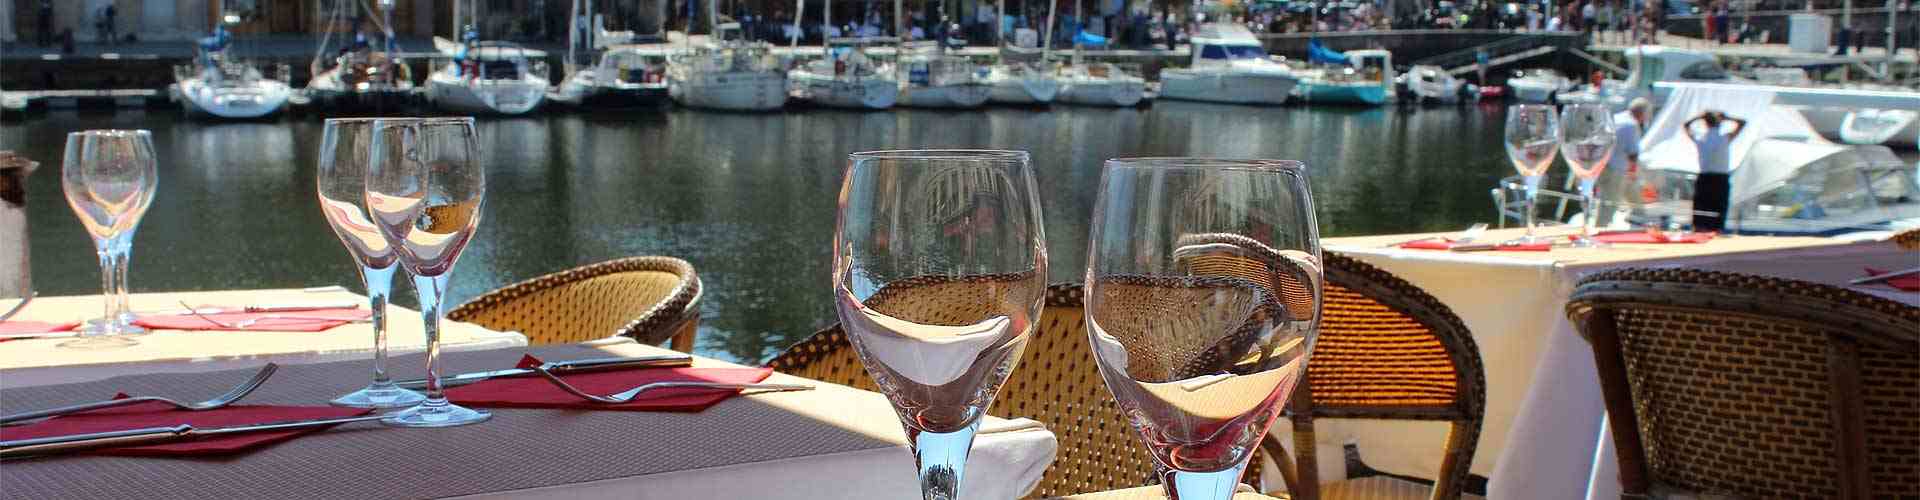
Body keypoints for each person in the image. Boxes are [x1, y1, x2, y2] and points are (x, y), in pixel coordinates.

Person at [1685, 110, 1746, 232]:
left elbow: (1686, 126)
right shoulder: (1724, 138)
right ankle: (1717, 230)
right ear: (1719, 124)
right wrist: (1727, 117)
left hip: (1705, 177)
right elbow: (1742, 123)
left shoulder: (1701, 138)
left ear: (1706, 124)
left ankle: (1699, 229)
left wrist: (1699, 117)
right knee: (1718, 207)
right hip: (1720, 178)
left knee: (1702, 209)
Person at [1608, 98, 1654, 205]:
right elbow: (1633, 152)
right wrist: (1633, 171)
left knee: (1632, 192)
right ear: (1642, 113)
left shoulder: (1615, 117)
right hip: (1617, 168)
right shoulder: (1631, 125)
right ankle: (1602, 222)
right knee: (1610, 203)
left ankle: (1638, 213)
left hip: (1605, 164)